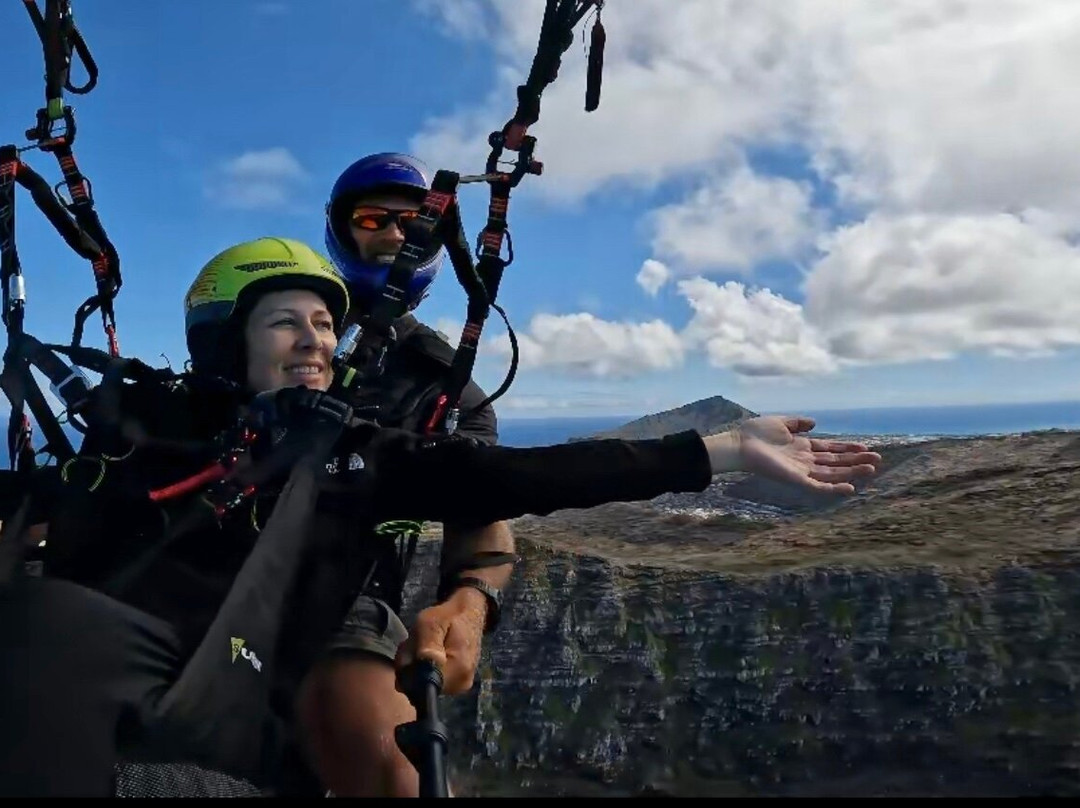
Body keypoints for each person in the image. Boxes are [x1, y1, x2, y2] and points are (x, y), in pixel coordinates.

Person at [0, 237, 881, 798]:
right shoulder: (142, 434)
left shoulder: (362, 454)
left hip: (244, 697)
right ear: (227, 341)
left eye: (321, 323)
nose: (312, 338)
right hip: (109, 675)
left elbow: (526, 476)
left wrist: (715, 452)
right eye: (283, 323)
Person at [306, 151, 518, 796]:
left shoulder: (447, 389)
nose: (397, 234)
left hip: (341, 600)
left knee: (395, 776)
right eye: (375, 218)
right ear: (343, 229)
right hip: (204, 565)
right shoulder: (271, 323)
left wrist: (470, 603)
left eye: (415, 222)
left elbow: (480, 513)